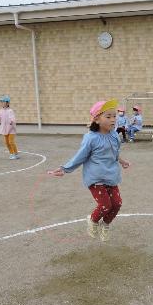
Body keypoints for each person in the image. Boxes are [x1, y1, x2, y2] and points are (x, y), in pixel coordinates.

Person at [48, 100, 131, 242]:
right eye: (108, 116)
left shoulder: (114, 135)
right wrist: (65, 168)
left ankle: (105, 225)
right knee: (106, 205)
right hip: (95, 178)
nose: (113, 119)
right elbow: (80, 156)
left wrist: (122, 161)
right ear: (97, 119)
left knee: (117, 204)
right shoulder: (91, 138)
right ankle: (93, 221)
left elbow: (114, 152)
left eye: (114, 116)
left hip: (111, 176)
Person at [0, 95, 19, 159]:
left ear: (7, 103)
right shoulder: (1, 110)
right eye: (1, 102)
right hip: (5, 129)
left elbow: (13, 118)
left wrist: (12, 121)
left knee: (11, 142)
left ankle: (16, 154)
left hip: (11, 129)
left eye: (3, 102)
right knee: (6, 142)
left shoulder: (10, 111)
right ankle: (11, 153)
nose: (2, 103)